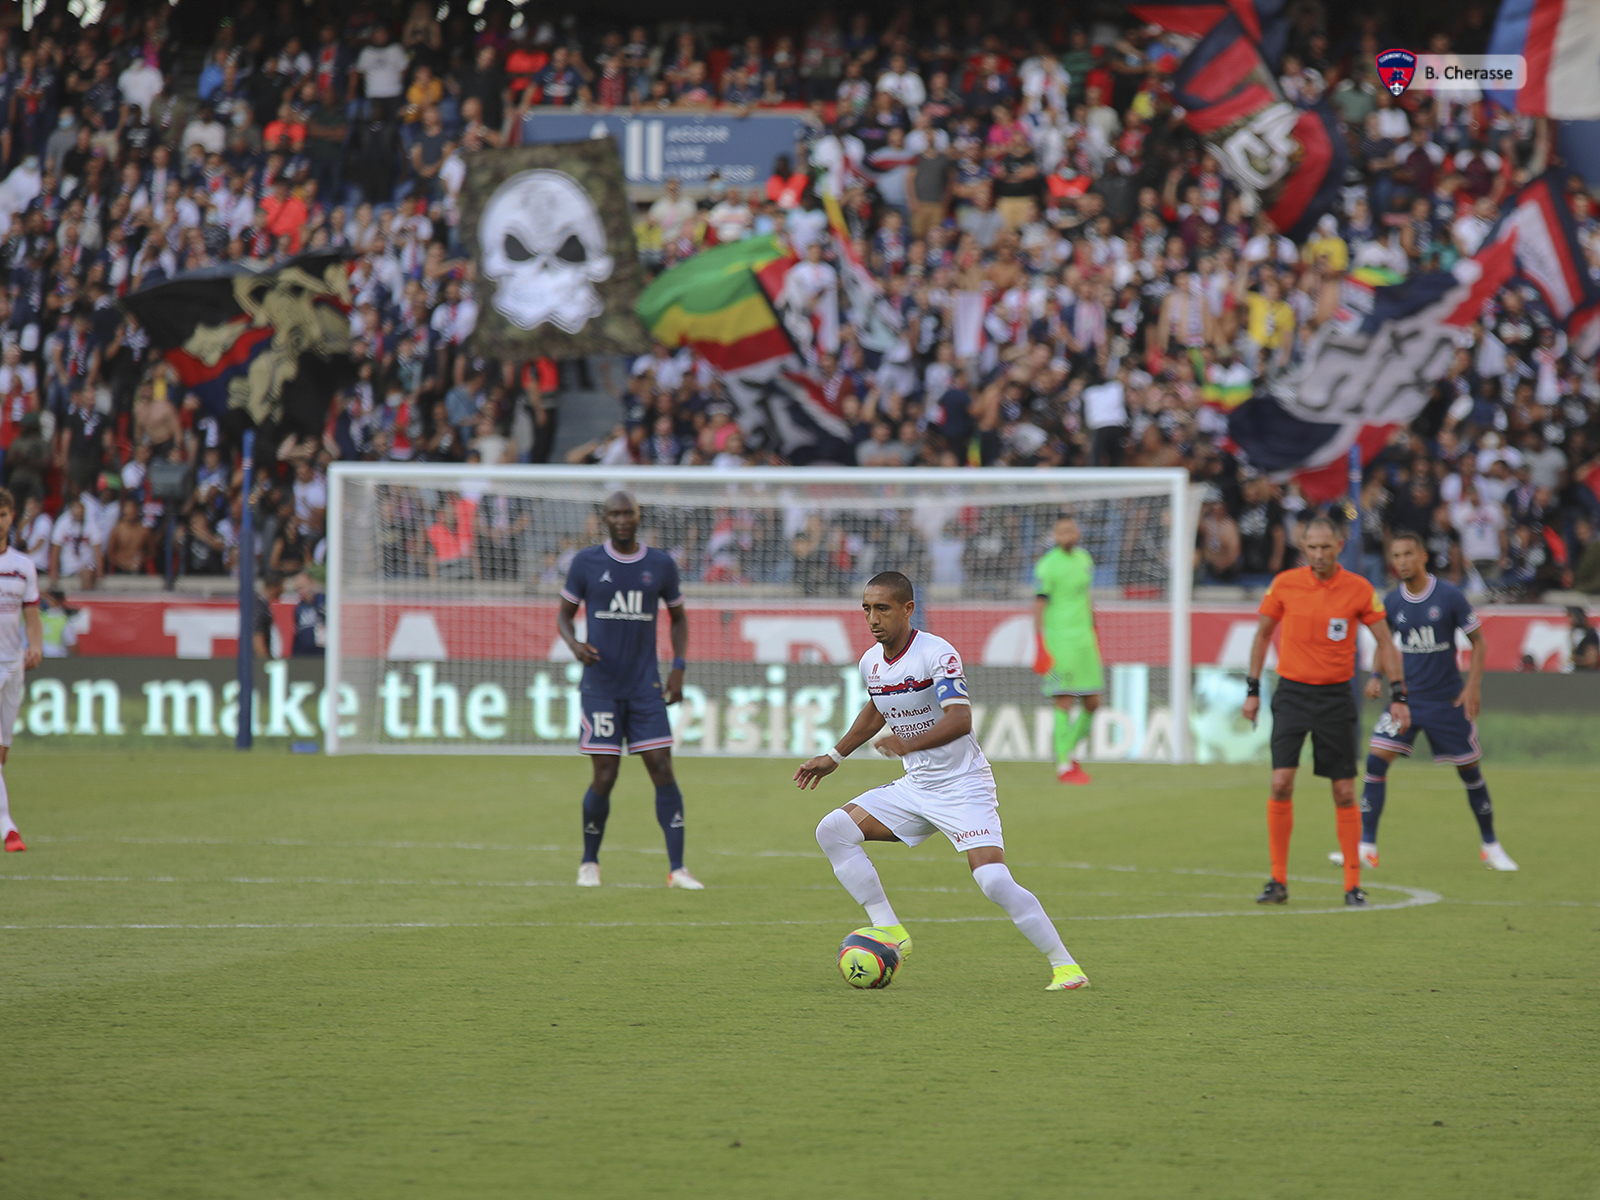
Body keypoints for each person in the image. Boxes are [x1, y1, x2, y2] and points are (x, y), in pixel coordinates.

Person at [794, 571, 1089, 991]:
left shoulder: (937, 653)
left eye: (883, 608)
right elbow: (878, 708)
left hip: (963, 785)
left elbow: (960, 720)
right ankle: (891, 931)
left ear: (908, 609)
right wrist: (835, 756)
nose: (873, 618)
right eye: (866, 609)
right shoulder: (870, 662)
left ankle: (1066, 967)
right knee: (833, 830)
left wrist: (907, 742)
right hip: (916, 788)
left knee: (993, 880)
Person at [1242, 515, 1410, 908]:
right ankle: (1277, 881)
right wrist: (1252, 691)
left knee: (1344, 789)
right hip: (1292, 694)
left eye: (1325, 547)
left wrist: (1398, 694)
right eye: (1311, 547)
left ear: (1340, 545)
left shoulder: (1358, 589)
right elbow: (1263, 635)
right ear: (1303, 547)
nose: (1318, 554)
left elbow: (1386, 641)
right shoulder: (1284, 584)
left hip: (1336, 698)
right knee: (1281, 782)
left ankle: (1352, 885)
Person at [1342, 531, 1517, 872]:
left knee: (1470, 773)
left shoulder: (1450, 596)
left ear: (1422, 556)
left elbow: (1478, 642)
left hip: (1447, 701)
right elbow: (1385, 643)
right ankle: (1367, 846)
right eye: (1396, 556)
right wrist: (1377, 676)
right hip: (1406, 701)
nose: (1402, 561)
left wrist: (1474, 686)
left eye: (1408, 554)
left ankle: (1491, 846)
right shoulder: (1392, 601)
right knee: (1375, 763)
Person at [556, 491, 701, 890]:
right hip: (600, 687)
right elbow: (564, 616)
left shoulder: (660, 564)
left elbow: (679, 619)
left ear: (639, 517)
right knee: (605, 775)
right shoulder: (585, 563)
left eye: (629, 513)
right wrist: (573, 644)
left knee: (662, 767)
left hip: (645, 687)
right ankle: (589, 862)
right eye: (615, 514)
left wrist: (678, 668)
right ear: (605, 519)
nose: (622, 519)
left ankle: (677, 869)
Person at [1033, 515, 1102, 784]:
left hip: (1085, 640)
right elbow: (1038, 605)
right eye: (1061, 530)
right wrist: (1040, 644)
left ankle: (1068, 750)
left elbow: (1086, 598)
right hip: (1060, 641)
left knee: (1093, 701)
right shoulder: (1048, 565)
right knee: (1064, 699)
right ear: (1055, 534)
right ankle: (1064, 765)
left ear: (1078, 532)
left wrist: (1094, 630)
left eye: (1071, 529)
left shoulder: (1085, 559)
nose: (1067, 534)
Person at [0, 489, 44, 851]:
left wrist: (36, 644)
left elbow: (31, 614)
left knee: (1, 753)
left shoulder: (22, 565)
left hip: (13, 665)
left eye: (2, 514)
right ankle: (8, 827)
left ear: (11, 517)